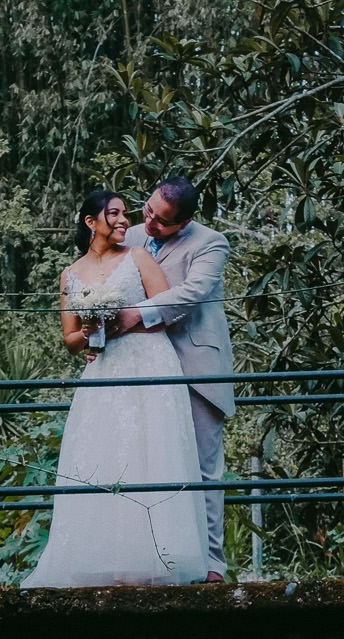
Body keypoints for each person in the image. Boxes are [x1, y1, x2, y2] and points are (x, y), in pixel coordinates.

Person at [22, 189, 212, 588]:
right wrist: (91, 328)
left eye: (126, 213)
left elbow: (167, 313)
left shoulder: (138, 257)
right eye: (115, 213)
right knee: (106, 453)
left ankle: (159, 560)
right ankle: (109, 559)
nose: (126, 220)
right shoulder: (70, 274)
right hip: (104, 369)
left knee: (152, 452)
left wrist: (122, 321)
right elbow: (70, 340)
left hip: (150, 362)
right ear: (91, 221)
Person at [114, 175, 234, 580]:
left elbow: (193, 293)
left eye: (162, 221)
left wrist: (136, 313)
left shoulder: (211, 243)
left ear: (184, 222)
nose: (149, 223)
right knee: (144, 462)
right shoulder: (130, 235)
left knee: (204, 466)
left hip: (195, 365)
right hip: (141, 366)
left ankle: (212, 565)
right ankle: (151, 560)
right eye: (148, 210)